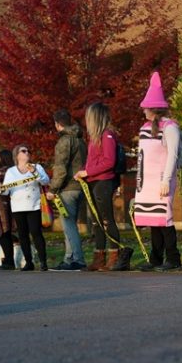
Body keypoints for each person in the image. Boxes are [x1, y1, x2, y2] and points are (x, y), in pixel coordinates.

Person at [134, 72, 182, 271]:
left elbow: (173, 155)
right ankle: (156, 258)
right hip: (146, 183)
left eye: (146, 107)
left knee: (165, 218)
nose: (143, 110)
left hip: (163, 180)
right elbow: (141, 158)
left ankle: (173, 259)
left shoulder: (170, 127)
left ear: (153, 108)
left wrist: (166, 180)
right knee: (153, 220)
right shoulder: (144, 128)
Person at [75, 102, 130, 271]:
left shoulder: (107, 136)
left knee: (107, 220)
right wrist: (84, 172)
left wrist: (87, 171)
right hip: (93, 181)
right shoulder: (94, 138)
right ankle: (99, 256)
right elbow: (95, 160)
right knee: (96, 222)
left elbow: (109, 161)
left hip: (103, 182)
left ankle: (114, 254)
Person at [3, 144, 51, 271]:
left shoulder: (37, 167)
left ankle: (43, 261)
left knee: (36, 232)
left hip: (34, 205)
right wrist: (1, 190)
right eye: (23, 151)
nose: (27, 152)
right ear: (17, 155)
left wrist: (34, 172)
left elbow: (46, 181)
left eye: (28, 150)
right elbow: (5, 191)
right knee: (22, 235)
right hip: (18, 207)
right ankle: (29, 262)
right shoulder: (11, 171)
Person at [50, 109, 88, 270]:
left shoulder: (64, 141)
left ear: (57, 124)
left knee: (69, 225)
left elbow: (60, 168)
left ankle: (77, 260)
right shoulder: (81, 141)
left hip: (68, 188)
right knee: (70, 224)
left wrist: (53, 188)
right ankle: (68, 258)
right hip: (81, 187)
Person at [0, 149, 17, 270]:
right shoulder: (13, 171)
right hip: (11, 204)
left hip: (1, 206)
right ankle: (9, 259)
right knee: (8, 233)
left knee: (3, 233)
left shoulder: (2, 172)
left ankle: (9, 260)